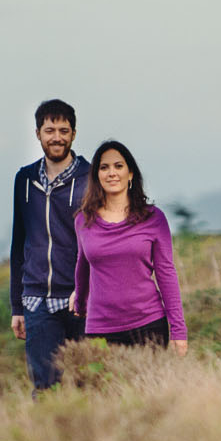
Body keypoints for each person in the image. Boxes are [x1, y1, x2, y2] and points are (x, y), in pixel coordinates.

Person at [71, 140, 189, 355]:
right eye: (104, 167)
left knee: (149, 388)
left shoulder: (153, 218)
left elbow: (166, 274)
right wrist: (79, 301)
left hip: (149, 324)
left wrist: (179, 331)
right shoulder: (83, 220)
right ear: (96, 175)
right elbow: (83, 264)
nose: (111, 173)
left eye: (118, 166)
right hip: (100, 329)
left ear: (130, 173)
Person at [9, 98, 89, 390]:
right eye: (50, 130)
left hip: (83, 301)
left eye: (64, 131)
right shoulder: (25, 179)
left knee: (89, 382)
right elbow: (19, 244)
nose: (57, 137)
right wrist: (17, 306)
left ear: (74, 134)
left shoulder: (91, 179)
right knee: (45, 387)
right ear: (38, 134)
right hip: (38, 302)